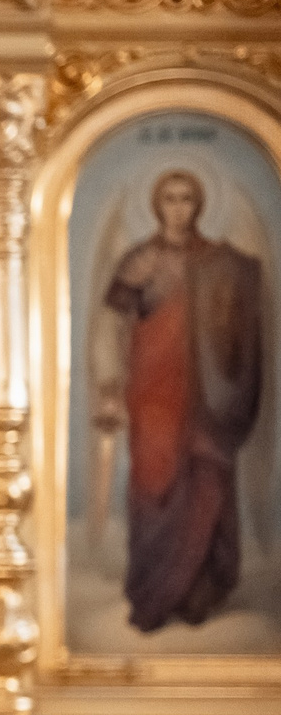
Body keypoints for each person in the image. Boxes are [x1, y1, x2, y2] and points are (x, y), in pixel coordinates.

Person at [92, 168, 267, 633]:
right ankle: (155, 589)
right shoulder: (139, 261)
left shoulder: (221, 263)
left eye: (187, 198)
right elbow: (111, 326)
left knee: (207, 480)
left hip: (208, 400)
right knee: (155, 489)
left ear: (199, 205)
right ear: (156, 205)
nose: (178, 207)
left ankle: (200, 591)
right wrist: (109, 387)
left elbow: (239, 331)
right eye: (169, 198)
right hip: (155, 398)